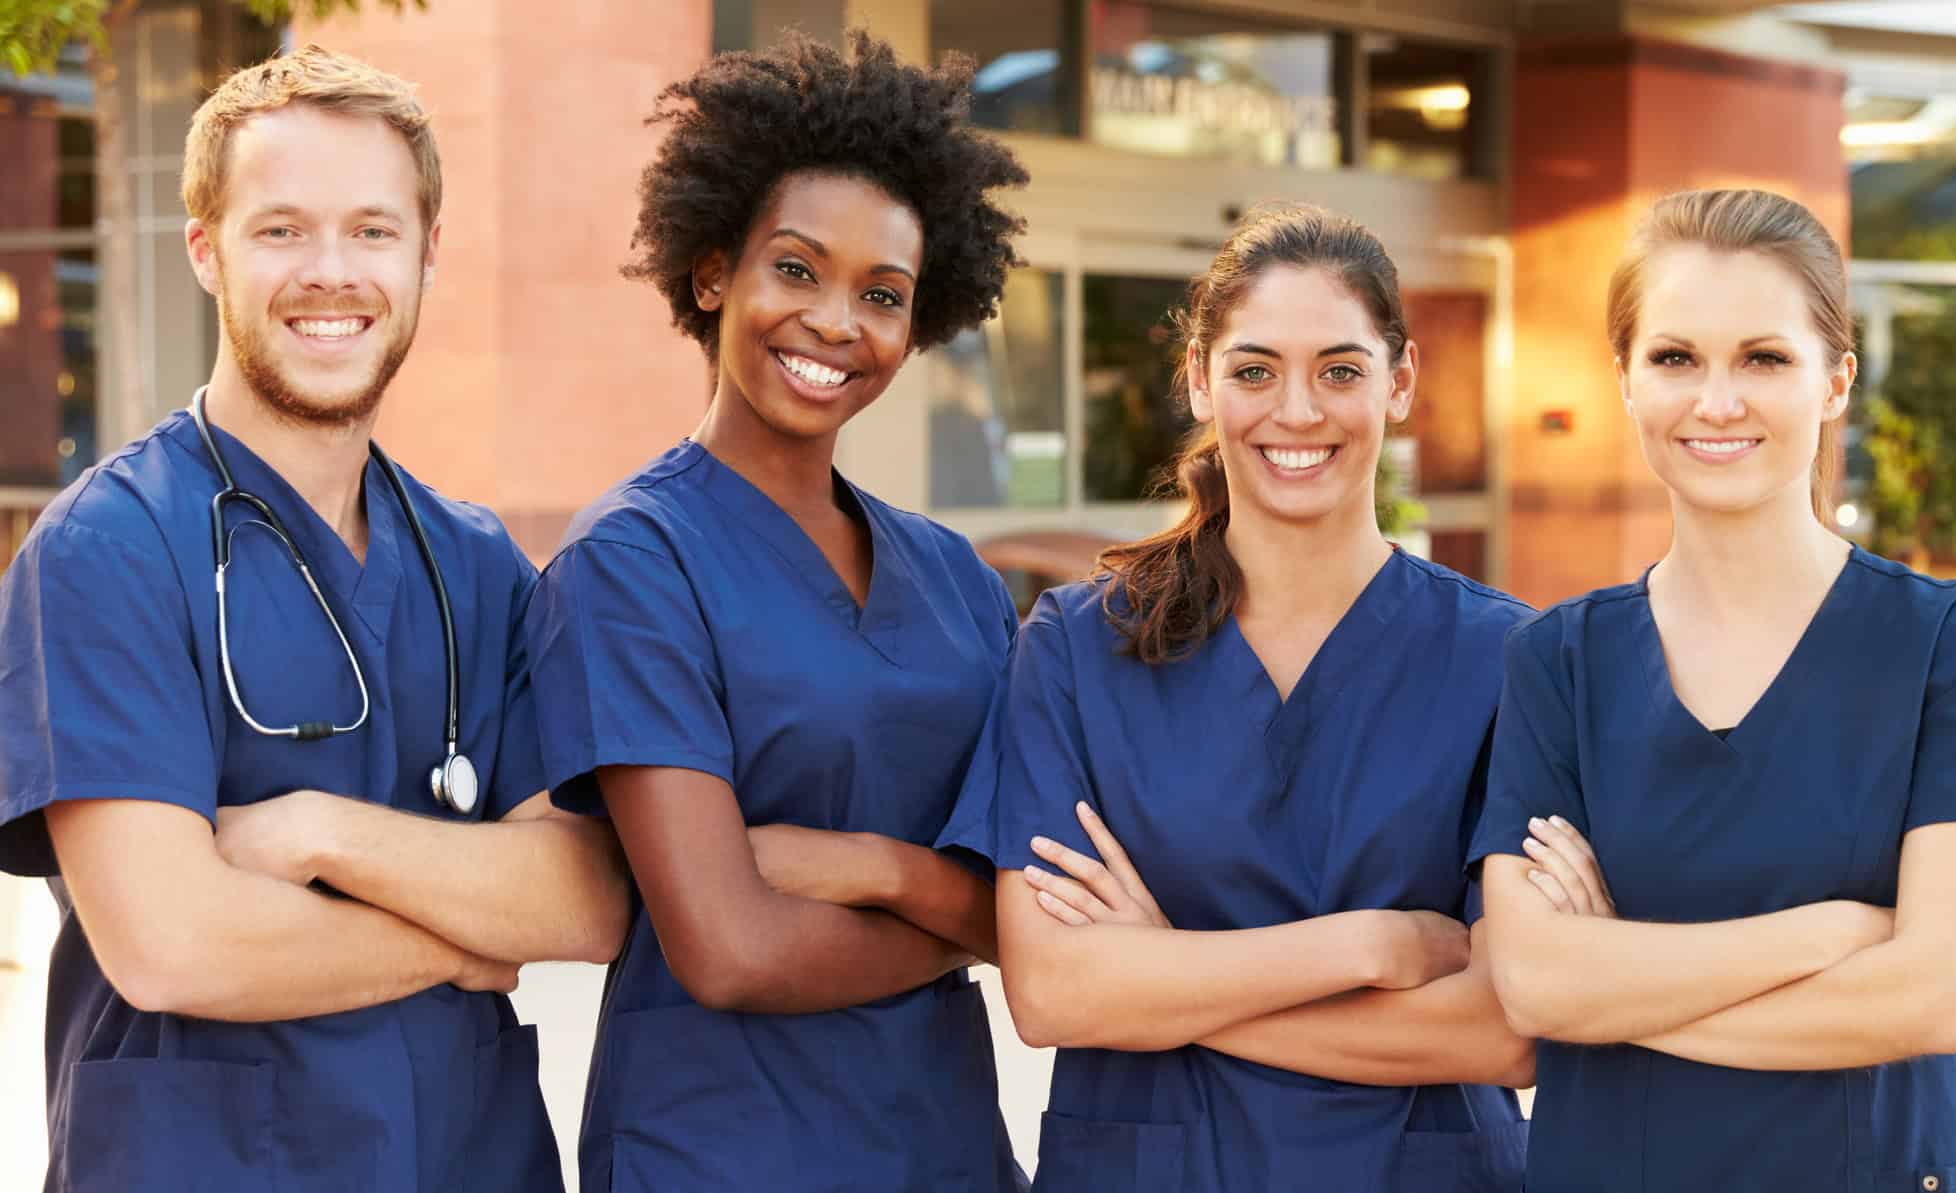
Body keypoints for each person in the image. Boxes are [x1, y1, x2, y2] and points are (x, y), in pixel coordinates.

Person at [0, 46, 631, 1193]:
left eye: (373, 231)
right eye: (281, 229)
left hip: (467, 1158)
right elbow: (172, 940)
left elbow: (585, 897)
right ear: (207, 250)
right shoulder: (109, 549)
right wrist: (468, 932)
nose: (330, 273)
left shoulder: (476, 563)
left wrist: (315, 831)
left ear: (429, 253)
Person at [939, 204, 1536, 1193]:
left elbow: (1504, 1027)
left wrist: (1165, 975)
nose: (1297, 411)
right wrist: (1371, 943)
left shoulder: (1506, 657)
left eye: (1339, 370)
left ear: (1400, 383)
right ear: (1199, 379)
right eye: (1255, 369)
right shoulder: (1079, 650)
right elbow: (1051, 991)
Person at [1470, 188, 1956, 1193]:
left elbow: (1933, 998)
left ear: (1836, 381)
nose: (1717, 400)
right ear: (1625, 380)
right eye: (1675, 357)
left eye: (1764, 357)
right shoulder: (1557, 659)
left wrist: (1619, 972)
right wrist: (1825, 936)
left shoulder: (1941, 641)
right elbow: (1530, 982)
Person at [522, 32, 1029, 1193]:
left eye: (883, 293)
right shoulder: (634, 560)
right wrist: (959, 919)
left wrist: (874, 868)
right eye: (795, 269)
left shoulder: (955, 579)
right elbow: (730, 948)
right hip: (718, 1150)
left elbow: (1029, 917)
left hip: (944, 1148)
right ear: (715, 276)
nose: (836, 322)